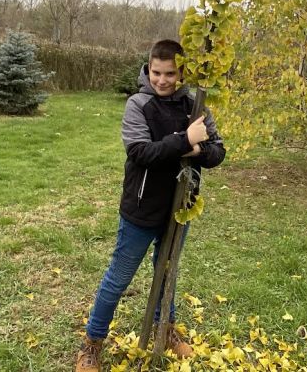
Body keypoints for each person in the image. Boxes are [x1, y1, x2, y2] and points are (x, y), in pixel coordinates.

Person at [75, 39, 226, 372]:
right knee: (119, 277)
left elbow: (218, 152)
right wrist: (185, 141)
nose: (162, 80)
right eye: (156, 72)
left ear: (181, 71)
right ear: (148, 69)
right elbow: (141, 153)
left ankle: (165, 330)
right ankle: (92, 343)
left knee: (167, 272)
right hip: (141, 210)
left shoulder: (194, 104)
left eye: (170, 73)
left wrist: (198, 151)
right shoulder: (138, 105)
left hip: (180, 207)